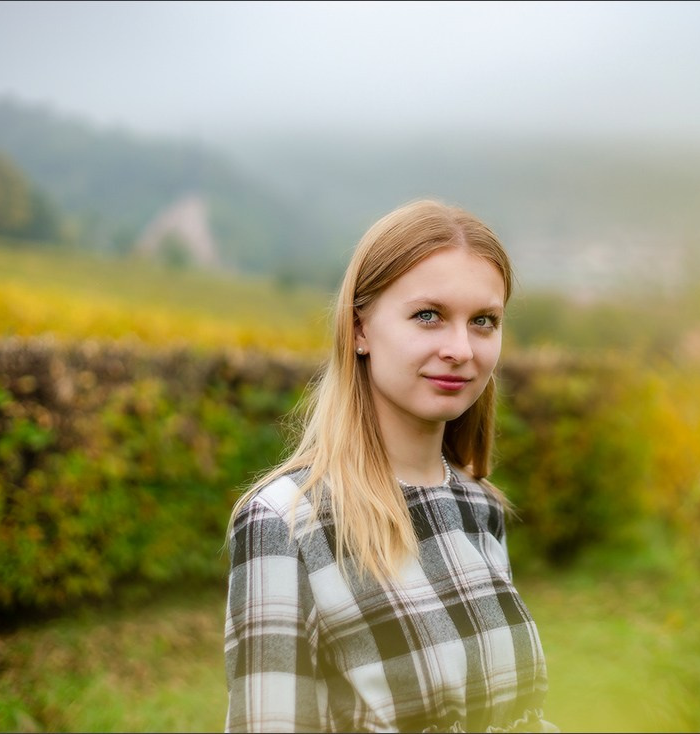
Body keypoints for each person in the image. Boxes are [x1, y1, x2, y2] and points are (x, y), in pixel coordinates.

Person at [224, 199, 556, 733]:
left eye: (484, 322)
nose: (460, 349)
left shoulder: (480, 507)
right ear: (359, 330)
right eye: (429, 316)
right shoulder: (284, 524)